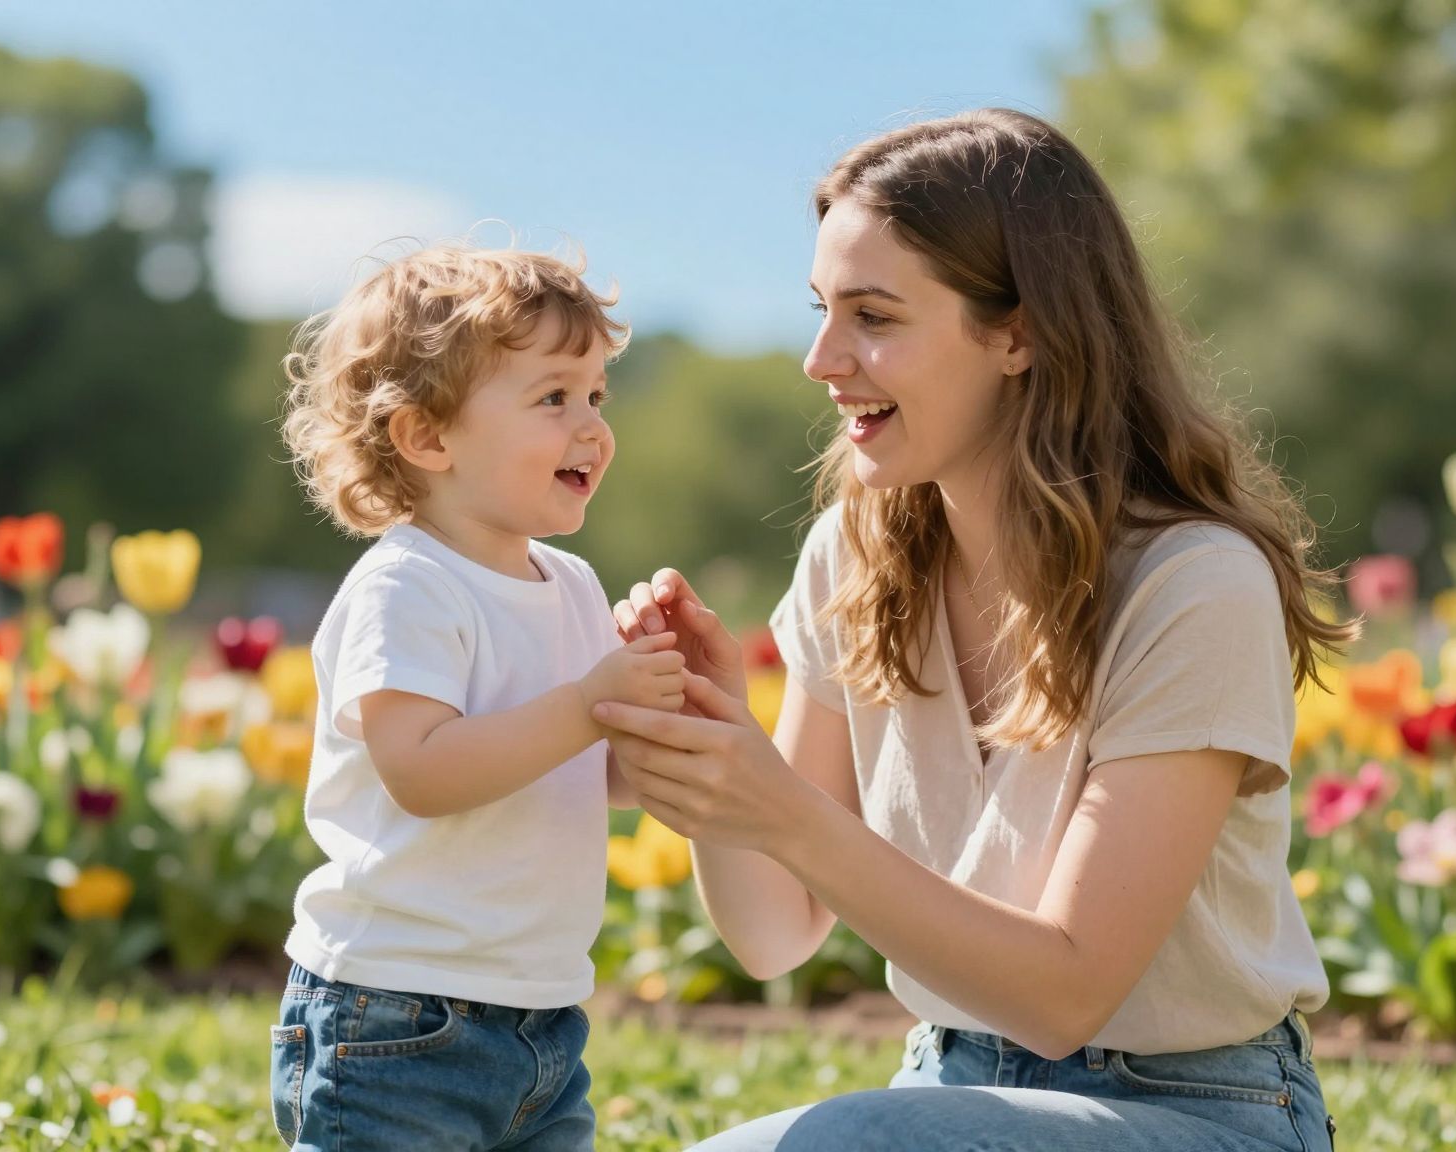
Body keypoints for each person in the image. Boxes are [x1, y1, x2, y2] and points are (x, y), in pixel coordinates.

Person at [601, 109, 1353, 1151]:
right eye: (820, 309)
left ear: (1019, 331)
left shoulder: (1194, 585)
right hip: (945, 1092)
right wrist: (707, 742)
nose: (821, 358)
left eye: (871, 315)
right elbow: (772, 933)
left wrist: (778, 808)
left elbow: (1066, 992)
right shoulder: (853, 558)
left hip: (1197, 1112)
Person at [271, 243, 679, 1150]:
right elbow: (421, 770)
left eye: (597, 395)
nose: (592, 427)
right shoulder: (407, 589)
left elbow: (581, 773)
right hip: (395, 1015)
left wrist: (645, 724)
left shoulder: (569, 585)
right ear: (427, 437)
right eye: (553, 397)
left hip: (540, 1016)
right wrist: (585, 704)